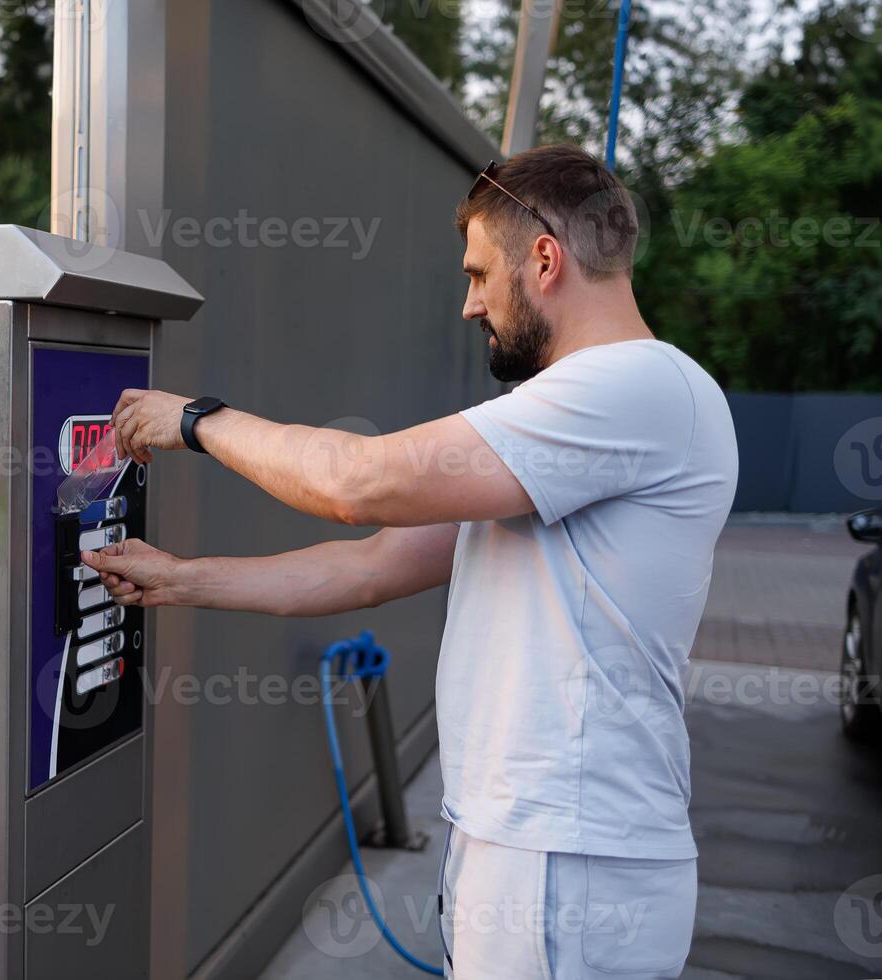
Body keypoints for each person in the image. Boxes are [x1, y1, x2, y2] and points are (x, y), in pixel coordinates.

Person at [80, 144, 737, 979]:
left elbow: (361, 483)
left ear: (543, 259)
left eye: (477, 273)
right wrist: (180, 578)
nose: (469, 305)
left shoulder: (631, 388)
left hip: (569, 861)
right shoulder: (582, 415)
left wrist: (199, 420)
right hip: (525, 849)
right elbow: (377, 561)